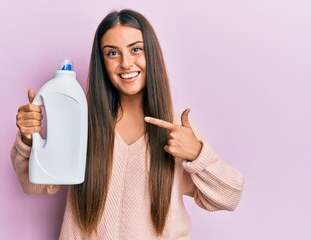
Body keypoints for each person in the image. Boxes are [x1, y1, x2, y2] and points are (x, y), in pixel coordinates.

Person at [12, 9, 244, 240]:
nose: (126, 63)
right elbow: (35, 186)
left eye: (136, 49)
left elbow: (229, 196)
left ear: (151, 54)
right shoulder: (83, 122)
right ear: (102, 62)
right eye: (112, 53)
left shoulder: (175, 127)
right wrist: (30, 140)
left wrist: (196, 154)